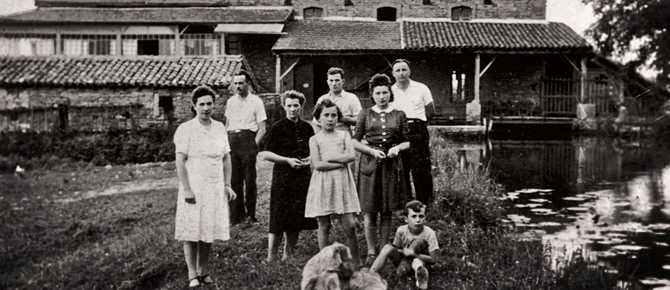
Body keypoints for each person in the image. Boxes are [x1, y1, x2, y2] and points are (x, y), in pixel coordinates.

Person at [174, 86, 237, 288]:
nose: (206, 108)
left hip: (214, 183)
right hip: (194, 183)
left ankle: (204, 270)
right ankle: (192, 274)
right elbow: (180, 161)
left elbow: (226, 157)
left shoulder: (219, 127)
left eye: (210, 103)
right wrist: (187, 189)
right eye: (202, 104)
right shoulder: (186, 129)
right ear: (194, 106)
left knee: (208, 228)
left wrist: (227, 184)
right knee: (192, 229)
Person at [352, 74, 411, 265]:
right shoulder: (365, 114)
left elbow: (407, 141)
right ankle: (371, 250)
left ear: (390, 93)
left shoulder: (399, 114)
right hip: (370, 165)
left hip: (391, 166)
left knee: (387, 210)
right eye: (378, 93)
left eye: (385, 92)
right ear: (372, 94)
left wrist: (396, 148)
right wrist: (370, 150)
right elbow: (354, 140)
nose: (382, 96)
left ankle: (384, 247)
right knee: (369, 210)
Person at [261, 90, 318, 262]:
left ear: (301, 107)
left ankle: (288, 254)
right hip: (283, 177)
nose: (293, 109)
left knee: (296, 217)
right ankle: (271, 256)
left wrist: (309, 159)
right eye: (289, 106)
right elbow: (266, 154)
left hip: (302, 177)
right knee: (278, 216)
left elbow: (314, 151)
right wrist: (287, 160)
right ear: (284, 107)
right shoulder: (277, 127)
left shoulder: (307, 128)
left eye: (296, 106)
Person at [305, 99, 362, 266]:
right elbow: (318, 165)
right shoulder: (314, 140)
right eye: (326, 115)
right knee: (324, 225)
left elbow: (351, 156)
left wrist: (329, 158)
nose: (330, 119)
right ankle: (327, 263)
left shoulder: (344, 135)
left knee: (350, 226)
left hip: (342, 183)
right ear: (318, 118)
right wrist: (340, 163)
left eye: (334, 115)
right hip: (323, 183)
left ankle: (355, 263)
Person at [391, 59, 436, 204]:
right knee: (401, 169)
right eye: (397, 70)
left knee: (421, 168)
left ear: (409, 71)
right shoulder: (390, 91)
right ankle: (406, 204)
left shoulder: (421, 88)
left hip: (417, 129)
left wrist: (417, 125)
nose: (401, 73)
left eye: (404, 70)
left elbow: (430, 111)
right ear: (393, 73)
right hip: (398, 132)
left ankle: (425, 203)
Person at [225, 70, 267, 225]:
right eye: (235, 83)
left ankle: (251, 215)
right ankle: (236, 216)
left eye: (241, 83)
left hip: (248, 139)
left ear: (247, 84)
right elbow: (227, 125)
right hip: (232, 141)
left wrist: (253, 146)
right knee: (233, 180)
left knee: (250, 181)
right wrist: (225, 145)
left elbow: (262, 128)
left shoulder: (256, 102)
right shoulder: (231, 102)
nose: (238, 86)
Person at [370, 200, 439, 290]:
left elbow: (433, 260)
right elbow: (397, 249)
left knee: (417, 262)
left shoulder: (429, 233)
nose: (418, 220)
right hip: (404, 260)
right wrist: (404, 251)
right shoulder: (401, 230)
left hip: (421, 262)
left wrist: (414, 254)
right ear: (406, 219)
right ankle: (370, 276)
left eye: (421, 216)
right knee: (387, 247)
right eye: (414, 216)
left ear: (425, 218)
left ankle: (420, 279)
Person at [311, 67, 363, 135]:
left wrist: (343, 119)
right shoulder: (322, 99)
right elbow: (316, 123)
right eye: (331, 80)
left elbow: (360, 120)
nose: (334, 83)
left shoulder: (351, 98)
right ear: (327, 82)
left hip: (343, 135)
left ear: (343, 81)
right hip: (325, 135)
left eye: (337, 80)